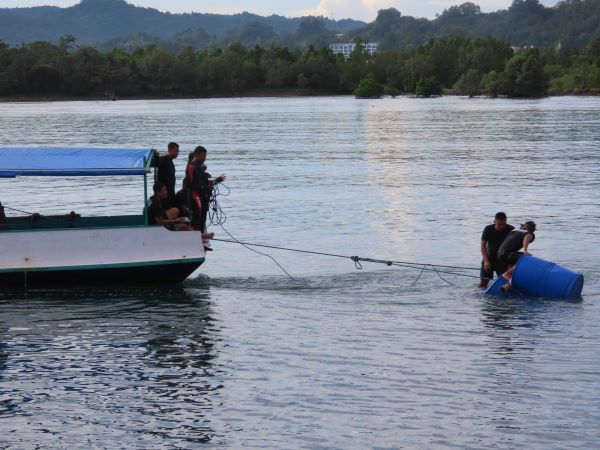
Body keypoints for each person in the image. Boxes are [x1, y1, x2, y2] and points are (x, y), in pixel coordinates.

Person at [183, 145, 226, 233]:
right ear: (197, 155)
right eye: (203, 156)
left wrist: (217, 181)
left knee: (202, 218)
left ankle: (201, 237)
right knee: (196, 218)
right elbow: (192, 184)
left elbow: (204, 182)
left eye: (205, 156)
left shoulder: (199, 167)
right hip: (195, 196)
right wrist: (205, 187)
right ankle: (195, 238)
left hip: (202, 195)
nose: (205, 158)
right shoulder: (191, 166)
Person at [479, 212, 515, 288]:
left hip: (503, 260)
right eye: (499, 225)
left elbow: (514, 248)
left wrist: (510, 264)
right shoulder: (488, 229)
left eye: (504, 224)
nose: (502, 226)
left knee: (504, 282)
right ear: (494, 222)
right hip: (489, 259)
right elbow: (483, 246)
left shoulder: (511, 229)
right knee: (483, 283)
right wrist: (486, 260)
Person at [152, 142, 180, 207]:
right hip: (164, 194)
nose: (177, 153)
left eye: (178, 151)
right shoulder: (164, 160)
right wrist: (156, 156)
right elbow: (155, 163)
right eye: (176, 151)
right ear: (170, 150)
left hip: (170, 193)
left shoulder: (170, 161)